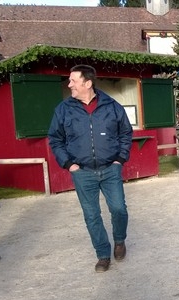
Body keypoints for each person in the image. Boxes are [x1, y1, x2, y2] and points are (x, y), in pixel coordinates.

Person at [48, 64, 133, 272]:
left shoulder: (112, 106)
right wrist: (69, 164)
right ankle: (103, 254)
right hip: (83, 172)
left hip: (110, 169)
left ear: (87, 83)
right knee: (91, 215)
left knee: (119, 209)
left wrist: (119, 160)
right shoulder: (63, 109)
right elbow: (55, 139)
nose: (69, 85)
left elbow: (126, 133)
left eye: (73, 81)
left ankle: (119, 240)